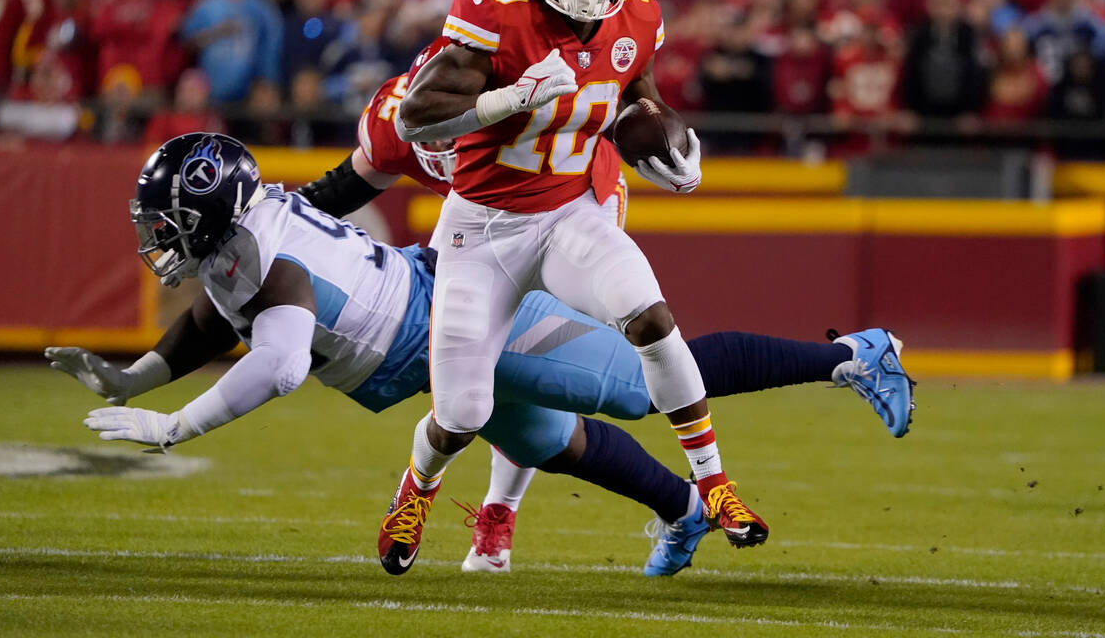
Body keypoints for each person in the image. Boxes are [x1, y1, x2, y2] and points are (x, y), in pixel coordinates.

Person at [50, 132, 915, 578]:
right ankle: (684, 511)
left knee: (638, 384)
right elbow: (214, 319)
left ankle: (852, 355)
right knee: (549, 441)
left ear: (214, 211)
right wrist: (134, 377)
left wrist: (172, 425)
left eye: (168, 220)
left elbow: (278, 362)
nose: (157, 237)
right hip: (423, 335)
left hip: (453, 313)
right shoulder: (241, 241)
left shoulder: (268, 256)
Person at [388, 0, 765, 572]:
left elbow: (636, 98)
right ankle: (418, 487)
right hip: (482, 229)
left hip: (568, 213)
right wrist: (509, 97)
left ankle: (714, 485)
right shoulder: (496, 12)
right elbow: (415, 116)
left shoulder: (638, 13)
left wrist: (671, 146)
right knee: (463, 413)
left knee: (650, 317)